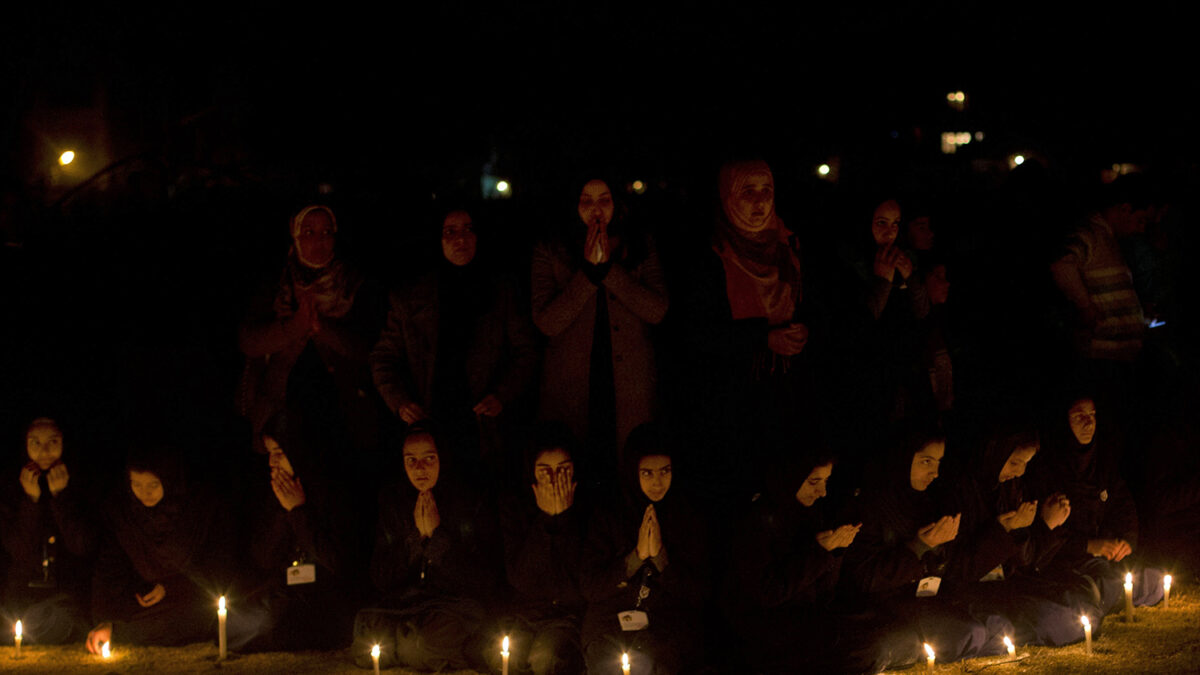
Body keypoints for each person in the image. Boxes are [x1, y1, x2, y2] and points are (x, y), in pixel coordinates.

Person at [677, 160, 824, 500]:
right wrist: (762, 337)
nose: (759, 202)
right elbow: (696, 333)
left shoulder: (789, 248)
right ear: (728, 196)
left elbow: (814, 306)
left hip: (787, 396)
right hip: (734, 404)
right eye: (747, 192)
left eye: (766, 191)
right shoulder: (711, 256)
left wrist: (805, 331)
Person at [371, 208, 537, 479]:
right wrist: (401, 402)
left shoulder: (500, 291)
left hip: (483, 427)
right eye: (450, 232)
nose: (461, 239)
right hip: (429, 423)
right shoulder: (410, 297)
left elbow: (526, 352)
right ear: (437, 238)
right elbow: (383, 357)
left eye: (468, 229)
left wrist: (502, 394)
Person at [726, 450, 919, 673]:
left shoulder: (809, 514)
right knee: (862, 649)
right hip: (769, 628)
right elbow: (767, 593)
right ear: (790, 479)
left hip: (813, 617)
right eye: (813, 482)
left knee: (899, 636)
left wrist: (835, 552)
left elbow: (825, 592)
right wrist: (819, 553)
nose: (822, 492)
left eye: (826, 481)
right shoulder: (755, 523)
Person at [531, 178, 668, 481]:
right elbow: (547, 322)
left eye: (604, 199)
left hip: (627, 383)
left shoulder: (640, 244)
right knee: (576, 466)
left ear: (617, 204)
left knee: (625, 467)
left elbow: (657, 310)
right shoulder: (551, 248)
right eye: (586, 200)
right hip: (572, 384)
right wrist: (589, 274)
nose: (596, 209)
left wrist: (609, 270)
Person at [843, 421, 1013, 663]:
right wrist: (919, 547)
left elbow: (954, 569)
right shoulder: (870, 506)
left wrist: (942, 550)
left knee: (998, 628)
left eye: (938, 463)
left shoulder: (928, 501)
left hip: (929, 599)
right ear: (902, 458)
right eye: (926, 461)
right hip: (884, 605)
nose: (934, 473)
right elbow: (864, 579)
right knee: (967, 634)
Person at [352, 424, 497, 672]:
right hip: (404, 603)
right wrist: (415, 540)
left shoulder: (468, 500)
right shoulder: (394, 499)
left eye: (429, 458)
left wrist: (436, 538)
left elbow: (483, 580)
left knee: (420, 645)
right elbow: (380, 576)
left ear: (443, 457)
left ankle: (409, 644)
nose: (420, 469)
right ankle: (405, 640)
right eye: (411, 460)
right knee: (368, 641)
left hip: (452, 605)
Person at [238, 204, 381, 456]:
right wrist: (295, 326)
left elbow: (367, 348)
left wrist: (320, 327)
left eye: (326, 232)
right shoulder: (276, 280)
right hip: (279, 410)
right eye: (309, 232)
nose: (319, 241)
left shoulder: (354, 282)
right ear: (295, 235)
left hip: (343, 409)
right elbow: (249, 341)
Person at [580, 423, 708, 674]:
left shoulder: (687, 516)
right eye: (647, 473)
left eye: (665, 471)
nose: (658, 483)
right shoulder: (610, 515)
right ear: (633, 472)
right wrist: (636, 557)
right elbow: (590, 586)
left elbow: (699, 593)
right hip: (610, 621)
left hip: (666, 623)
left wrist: (660, 558)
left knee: (657, 663)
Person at [86, 449, 229, 652]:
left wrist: (170, 588)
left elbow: (217, 570)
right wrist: (108, 616)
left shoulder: (198, 511)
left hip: (191, 598)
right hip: (147, 602)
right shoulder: (123, 514)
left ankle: (122, 632)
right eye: (137, 485)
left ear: (170, 481)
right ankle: (117, 629)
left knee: (198, 617)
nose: (145, 493)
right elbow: (109, 567)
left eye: (153, 485)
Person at [238, 410, 357, 651]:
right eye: (270, 454)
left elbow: (338, 563)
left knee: (288, 626)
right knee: (234, 619)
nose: (272, 463)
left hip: (325, 596)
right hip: (286, 591)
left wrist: (299, 512)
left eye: (279, 454)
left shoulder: (334, 493)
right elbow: (263, 558)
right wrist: (285, 513)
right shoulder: (276, 491)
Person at [1031, 393, 1162, 613]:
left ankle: (1108, 595)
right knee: (1096, 587)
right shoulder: (1046, 468)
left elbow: (1123, 505)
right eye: (1079, 416)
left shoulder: (1102, 461)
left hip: (1101, 560)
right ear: (1064, 421)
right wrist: (1088, 545)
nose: (1088, 423)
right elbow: (1042, 537)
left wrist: (1126, 540)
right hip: (1064, 562)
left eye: (1092, 415)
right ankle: (1102, 596)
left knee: (1154, 580)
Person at [494, 424, 590, 675]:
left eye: (563, 470)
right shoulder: (516, 508)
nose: (554, 479)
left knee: (545, 659)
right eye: (545, 471)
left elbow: (580, 582)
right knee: (505, 658)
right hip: (527, 613)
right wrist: (546, 522)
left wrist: (564, 520)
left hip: (569, 616)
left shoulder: (589, 508)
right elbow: (520, 578)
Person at [0, 417, 95, 645]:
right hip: (20, 595)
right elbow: (18, 550)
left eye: (53, 442)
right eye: (35, 443)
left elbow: (83, 545)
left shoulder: (83, 484)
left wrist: (60, 498)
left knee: (53, 620)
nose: (44, 451)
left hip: (64, 595)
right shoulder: (9, 488)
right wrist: (31, 501)